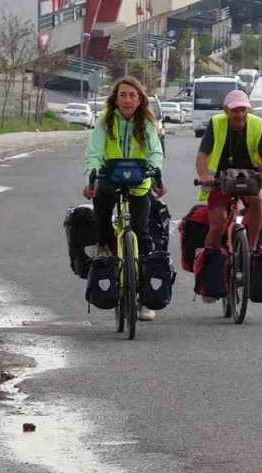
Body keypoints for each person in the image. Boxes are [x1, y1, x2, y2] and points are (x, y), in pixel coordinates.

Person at [82, 75, 167, 320]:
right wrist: (91, 178)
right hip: (110, 179)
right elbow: (94, 152)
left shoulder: (147, 122)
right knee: (102, 211)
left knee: (142, 234)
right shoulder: (105, 121)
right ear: (115, 99)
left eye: (132, 95)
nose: (128, 100)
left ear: (140, 100)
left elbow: (155, 151)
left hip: (139, 183)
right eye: (123, 95)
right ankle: (106, 249)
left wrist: (155, 174)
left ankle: (145, 300)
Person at [195, 89, 262, 257]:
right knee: (218, 225)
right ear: (226, 110)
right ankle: (209, 261)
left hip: (248, 179)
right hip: (220, 180)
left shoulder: (257, 124)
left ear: (248, 110)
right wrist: (204, 175)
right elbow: (202, 156)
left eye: (243, 110)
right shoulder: (216, 123)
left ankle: (251, 251)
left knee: (257, 203)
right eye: (234, 110)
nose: (239, 114)